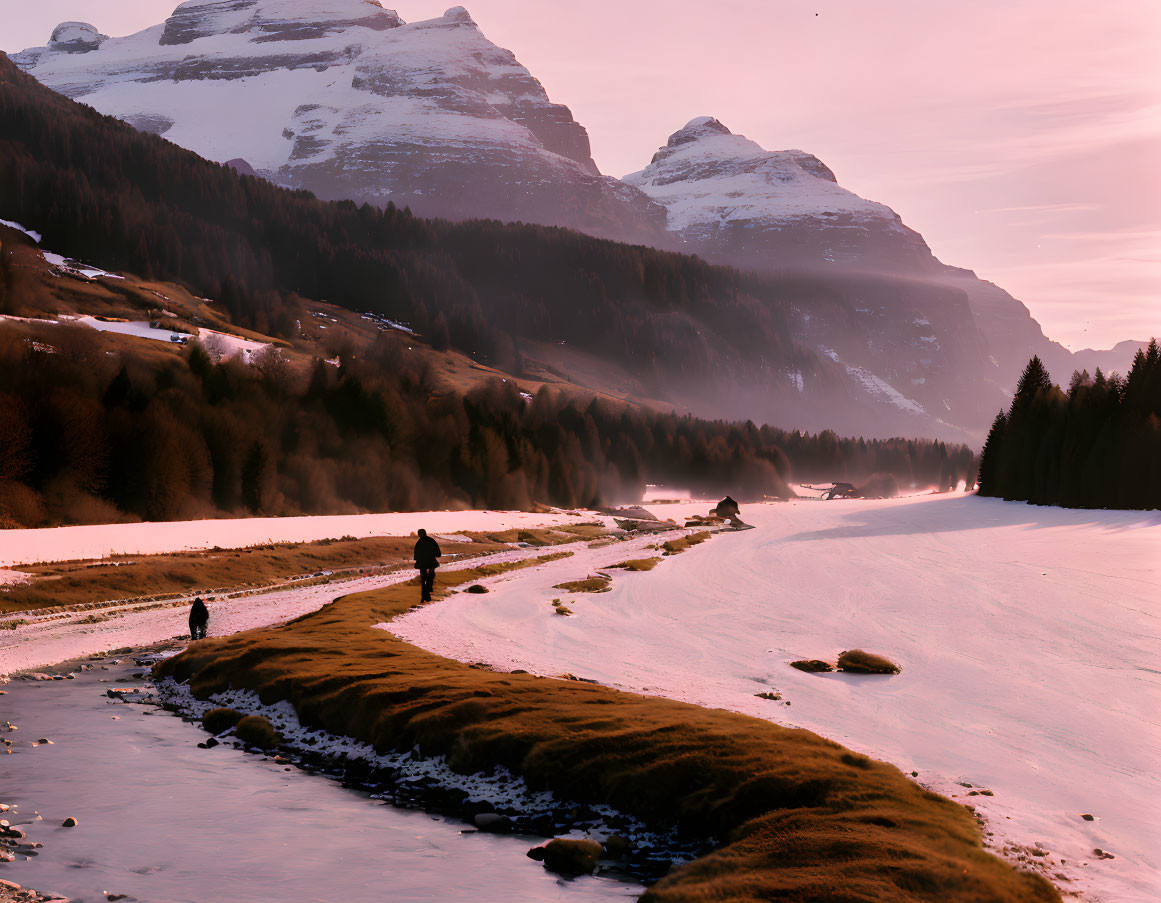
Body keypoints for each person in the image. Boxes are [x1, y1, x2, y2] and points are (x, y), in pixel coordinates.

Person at [413, 529, 442, 602]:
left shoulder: (419, 542)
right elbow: (437, 552)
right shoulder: (431, 540)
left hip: (422, 563)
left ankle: (424, 596)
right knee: (431, 575)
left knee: (423, 579)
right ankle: (428, 591)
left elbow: (416, 555)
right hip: (430, 562)